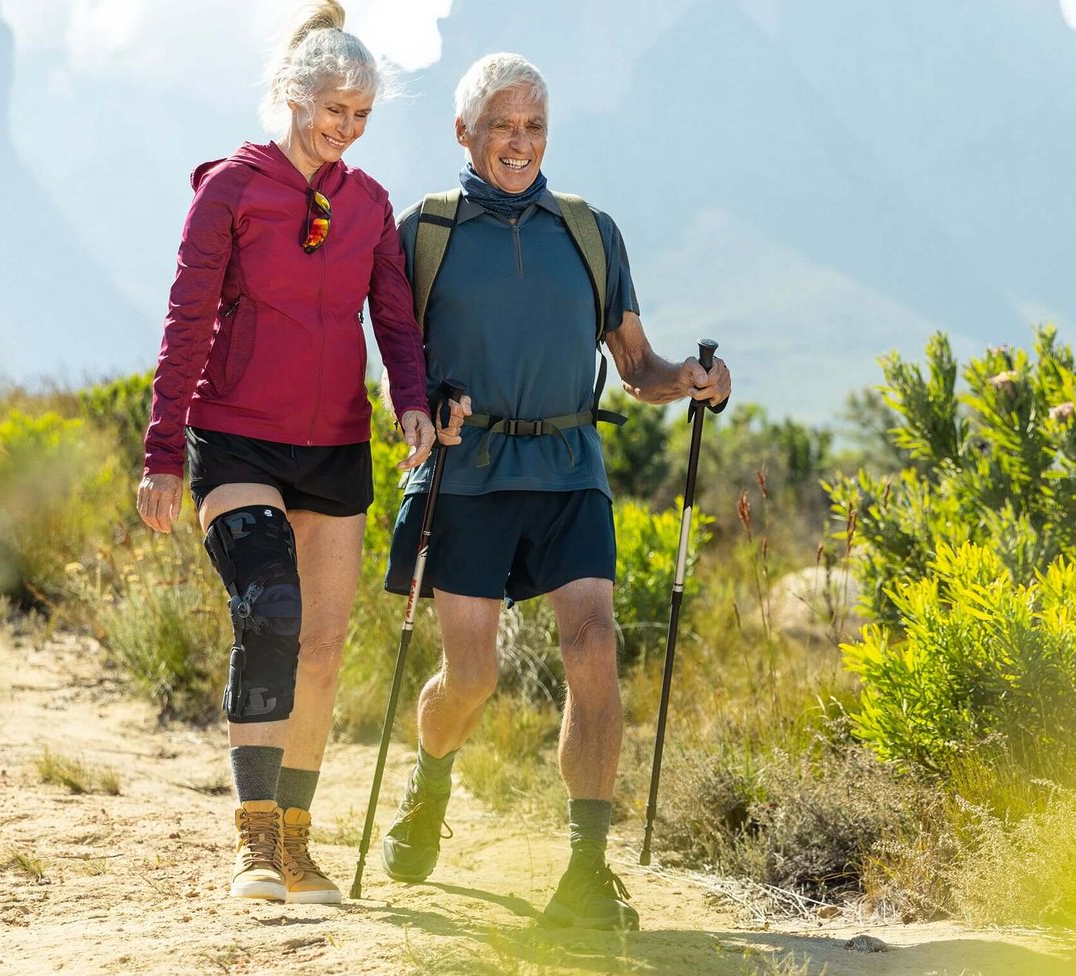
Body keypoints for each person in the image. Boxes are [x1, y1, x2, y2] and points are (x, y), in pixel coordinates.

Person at [377, 52, 732, 930]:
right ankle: (429, 785)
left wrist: (686, 377)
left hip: (571, 468)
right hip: (468, 475)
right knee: (471, 676)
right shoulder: (423, 232)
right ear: (464, 132)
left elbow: (636, 363)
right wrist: (423, 410)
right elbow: (395, 362)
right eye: (502, 124)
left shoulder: (588, 230)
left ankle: (585, 871)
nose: (519, 142)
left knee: (595, 645)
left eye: (534, 126)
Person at [135, 1, 437, 905]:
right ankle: (254, 843)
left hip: (337, 446)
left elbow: (394, 317)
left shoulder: (370, 204)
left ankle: (299, 845)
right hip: (235, 439)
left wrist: (412, 400)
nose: (344, 129)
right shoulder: (230, 190)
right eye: (332, 109)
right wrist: (161, 452)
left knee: (324, 643)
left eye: (361, 115)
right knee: (269, 610)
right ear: (293, 96)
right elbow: (186, 321)